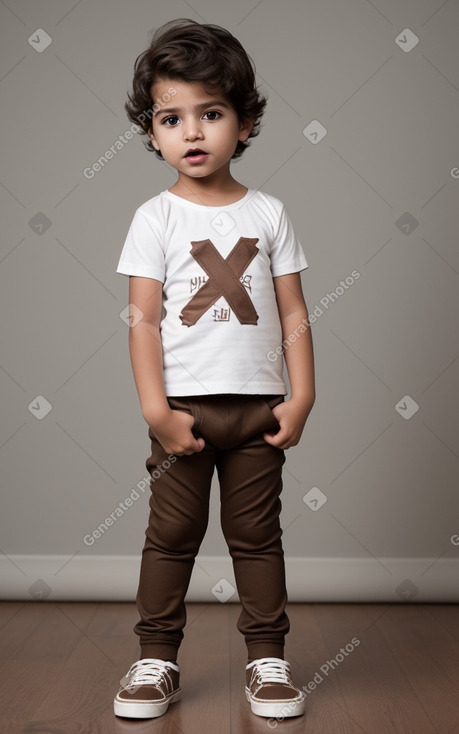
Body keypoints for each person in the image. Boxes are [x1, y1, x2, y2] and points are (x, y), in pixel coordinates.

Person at [113, 18, 315, 720]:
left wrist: (303, 395)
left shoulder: (269, 212)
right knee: (170, 536)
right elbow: (140, 321)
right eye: (171, 118)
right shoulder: (154, 218)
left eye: (211, 113)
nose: (191, 132)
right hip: (183, 412)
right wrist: (155, 411)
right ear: (151, 132)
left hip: (258, 410)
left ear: (246, 122)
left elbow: (292, 311)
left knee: (257, 536)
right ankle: (154, 660)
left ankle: (267, 660)